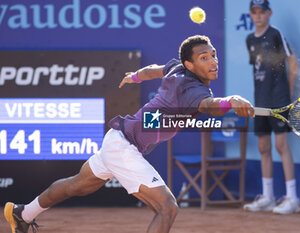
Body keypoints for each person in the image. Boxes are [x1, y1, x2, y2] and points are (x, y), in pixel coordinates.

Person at [4, 35, 254, 233]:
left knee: (76, 185)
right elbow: (210, 107)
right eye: (204, 58)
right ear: (190, 64)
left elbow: (150, 71)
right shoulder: (191, 89)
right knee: (167, 208)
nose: (213, 61)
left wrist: (134, 77)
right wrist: (231, 100)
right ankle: (24, 213)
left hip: (118, 140)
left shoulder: (175, 68)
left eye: (213, 55)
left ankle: (22, 213)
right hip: (125, 148)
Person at [242, 0, 300, 214]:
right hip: (260, 100)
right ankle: (267, 197)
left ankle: (292, 199)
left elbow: (293, 62)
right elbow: (258, 71)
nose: (258, 16)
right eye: (254, 12)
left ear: (269, 13)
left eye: (262, 12)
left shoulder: (276, 34)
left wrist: (288, 94)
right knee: (263, 148)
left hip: (279, 99)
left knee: (281, 147)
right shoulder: (249, 39)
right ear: (250, 14)